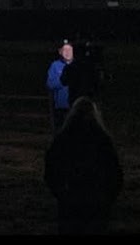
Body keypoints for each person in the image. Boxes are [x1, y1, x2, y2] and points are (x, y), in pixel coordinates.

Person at [44, 96, 124, 234]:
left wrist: (60, 193)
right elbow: (115, 174)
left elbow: (51, 168)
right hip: (96, 200)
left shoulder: (64, 138)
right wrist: (108, 198)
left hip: (71, 198)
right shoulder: (102, 140)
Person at [47, 42, 74, 133]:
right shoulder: (55, 65)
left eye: (69, 50)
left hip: (75, 106)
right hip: (61, 107)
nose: (67, 52)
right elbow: (50, 84)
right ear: (60, 52)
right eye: (64, 50)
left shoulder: (78, 65)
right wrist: (63, 81)